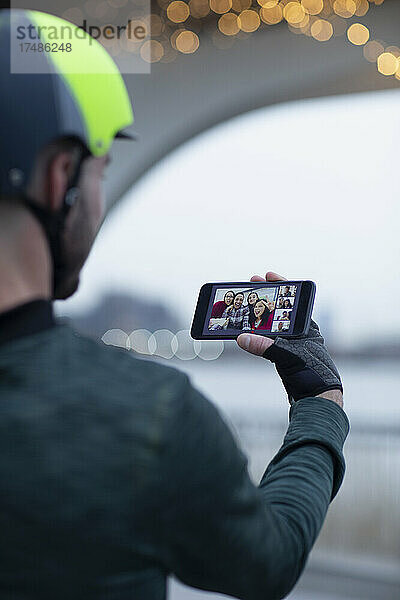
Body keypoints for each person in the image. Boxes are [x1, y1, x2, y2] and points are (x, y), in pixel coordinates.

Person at [0, 9, 349, 600]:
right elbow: (269, 559)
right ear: (62, 178)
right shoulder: (151, 417)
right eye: (101, 172)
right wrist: (320, 404)